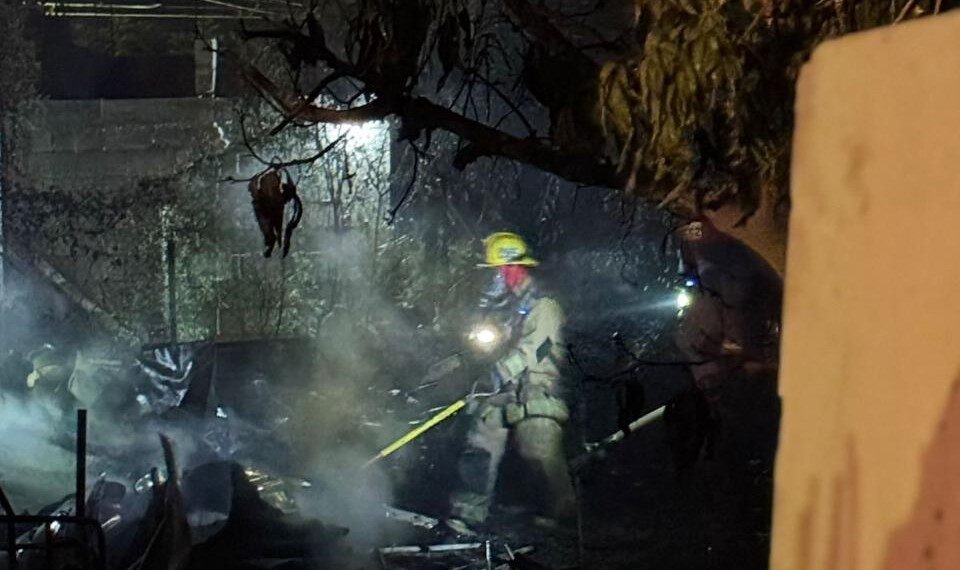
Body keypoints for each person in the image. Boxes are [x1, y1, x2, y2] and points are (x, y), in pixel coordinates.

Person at [448, 232, 576, 532]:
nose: (493, 277)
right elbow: (485, 347)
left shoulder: (544, 306)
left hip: (539, 389)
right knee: (480, 437)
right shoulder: (505, 308)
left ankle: (562, 513)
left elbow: (535, 350)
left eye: (496, 270)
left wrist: (497, 373)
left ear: (513, 267)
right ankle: (467, 512)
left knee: (539, 446)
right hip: (504, 391)